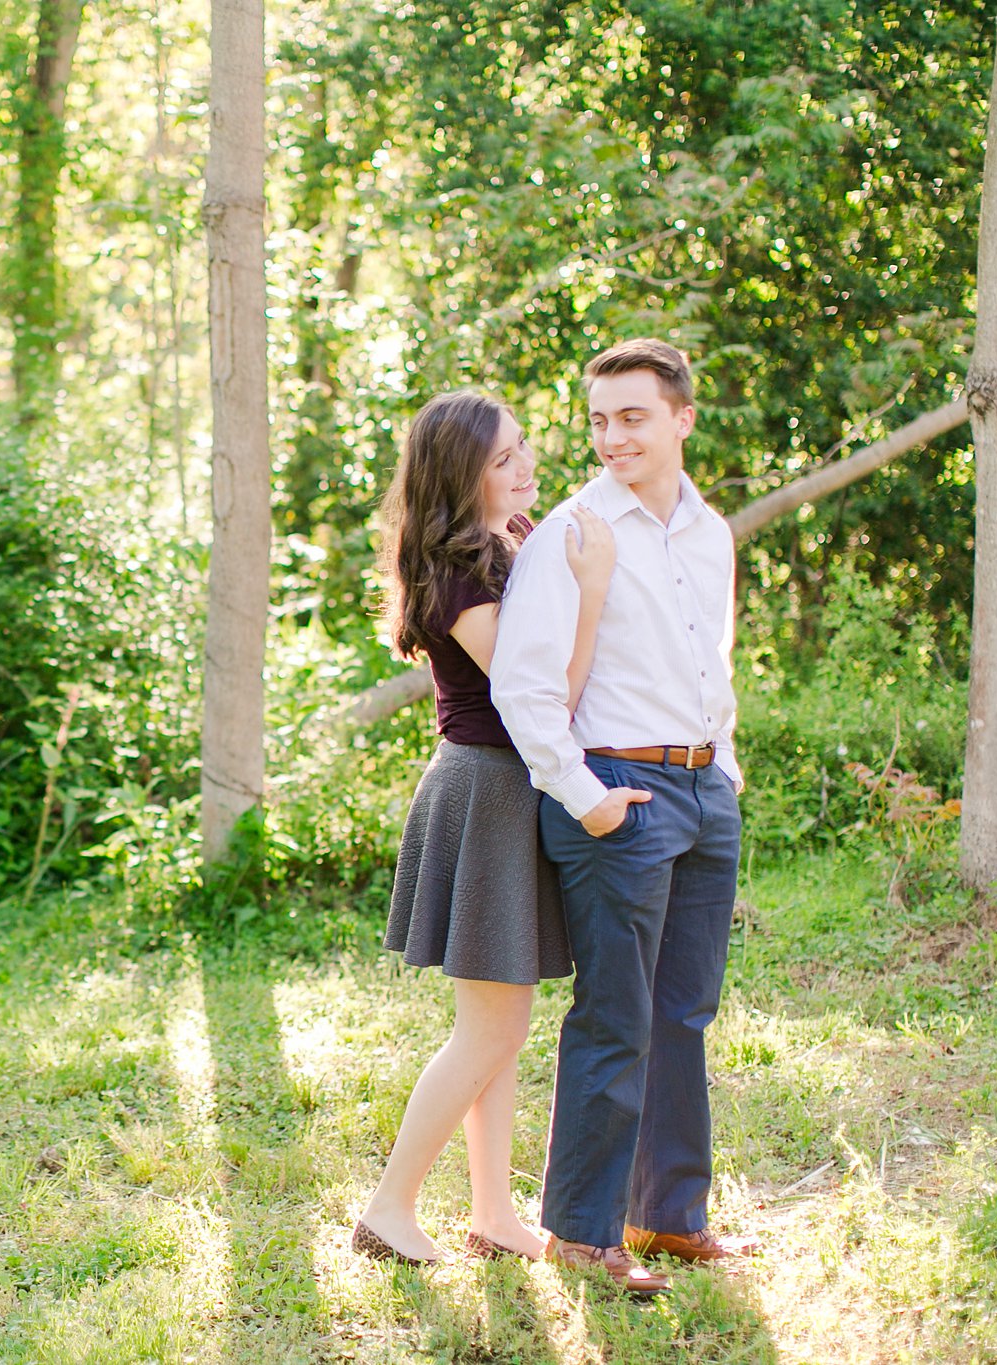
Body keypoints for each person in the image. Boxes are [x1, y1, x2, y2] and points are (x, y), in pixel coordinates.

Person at [490, 338, 759, 1299]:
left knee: (684, 1010)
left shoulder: (709, 531)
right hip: (616, 795)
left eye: (633, 416)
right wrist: (587, 795)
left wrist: (721, 770)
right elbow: (524, 689)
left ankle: (668, 1215)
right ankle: (581, 1229)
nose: (612, 438)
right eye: (599, 419)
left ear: (683, 418)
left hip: (701, 790)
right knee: (616, 1014)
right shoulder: (569, 531)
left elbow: (707, 661)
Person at [352, 390, 618, 1265]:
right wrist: (587, 593)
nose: (524, 465)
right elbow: (540, 691)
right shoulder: (459, 568)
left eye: (522, 449)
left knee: (501, 1022)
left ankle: (494, 1214)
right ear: (459, 474)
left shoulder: (505, 541)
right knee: (492, 1028)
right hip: (488, 790)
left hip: (507, 788)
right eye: (503, 458)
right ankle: (389, 1206)